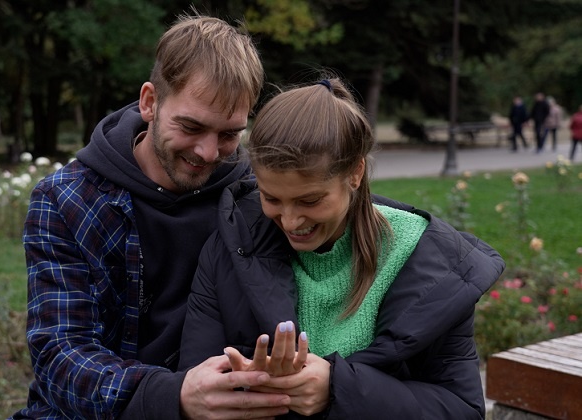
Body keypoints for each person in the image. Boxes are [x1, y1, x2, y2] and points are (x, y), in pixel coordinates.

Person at [10, 13, 295, 420]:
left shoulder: (257, 196)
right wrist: (173, 395)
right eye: (191, 126)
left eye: (229, 134)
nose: (209, 152)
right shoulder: (66, 200)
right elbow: (61, 358)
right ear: (149, 102)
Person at [179, 77, 506, 418]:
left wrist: (338, 389)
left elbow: (462, 410)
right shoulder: (232, 245)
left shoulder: (430, 264)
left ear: (355, 173)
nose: (290, 221)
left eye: (310, 200)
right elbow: (197, 380)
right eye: (271, 198)